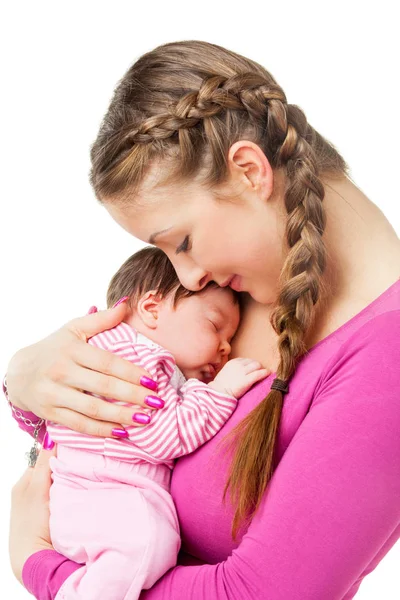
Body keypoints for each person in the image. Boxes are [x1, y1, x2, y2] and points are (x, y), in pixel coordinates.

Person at [6, 39, 400, 600]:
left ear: (249, 170)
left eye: (183, 242)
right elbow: (111, 429)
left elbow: (262, 594)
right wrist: (23, 381)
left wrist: (38, 565)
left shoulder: (388, 360)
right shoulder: (241, 287)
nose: (187, 277)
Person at [42, 244, 268, 600]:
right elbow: (167, 435)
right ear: (151, 309)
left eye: (231, 339)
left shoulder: (124, 352)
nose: (225, 348)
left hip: (98, 498)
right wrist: (220, 391)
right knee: (146, 543)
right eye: (214, 326)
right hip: (99, 492)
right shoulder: (139, 359)